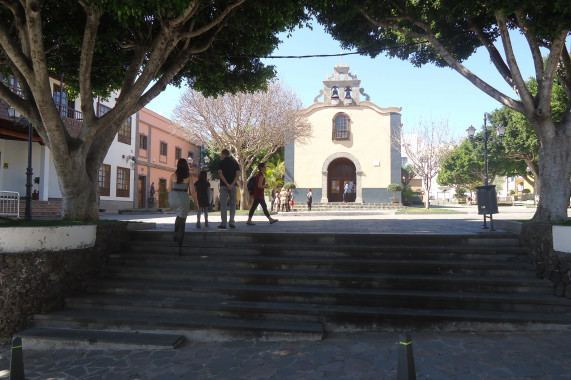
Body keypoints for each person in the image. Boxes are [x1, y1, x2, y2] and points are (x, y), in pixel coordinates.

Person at [168, 158, 193, 251]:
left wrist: (170, 201)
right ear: (186, 166)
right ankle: (179, 245)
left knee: (179, 215)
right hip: (183, 197)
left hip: (173, 197)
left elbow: (169, 190)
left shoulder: (173, 175)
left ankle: (175, 232)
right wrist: (196, 202)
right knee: (182, 223)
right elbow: (192, 192)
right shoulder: (189, 176)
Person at [217, 149, 241, 229]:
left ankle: (223, 223)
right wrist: (232, 184)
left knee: (223, 205)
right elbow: (237, 175)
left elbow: (220, 174)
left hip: (224, 186)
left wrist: (227, 184)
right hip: (234, 186)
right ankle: (232, 222)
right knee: (233, 204)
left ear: (223, 154)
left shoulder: (221, 162)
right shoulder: (235, 162)